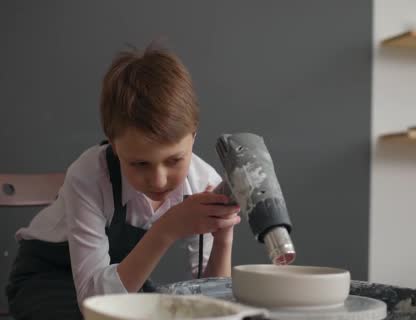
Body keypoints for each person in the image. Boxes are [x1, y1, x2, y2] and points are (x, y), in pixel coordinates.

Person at [5, 44, 241, 320]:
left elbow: (211, 298)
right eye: (140, 163)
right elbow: (93, 304)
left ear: (194, 137)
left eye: (174, 160)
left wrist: (223, 238)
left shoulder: (203, 181)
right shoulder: (88, 176)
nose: (159, 179)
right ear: (115, 146)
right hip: (49, 278)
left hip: (121, 282)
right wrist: (166, 229)